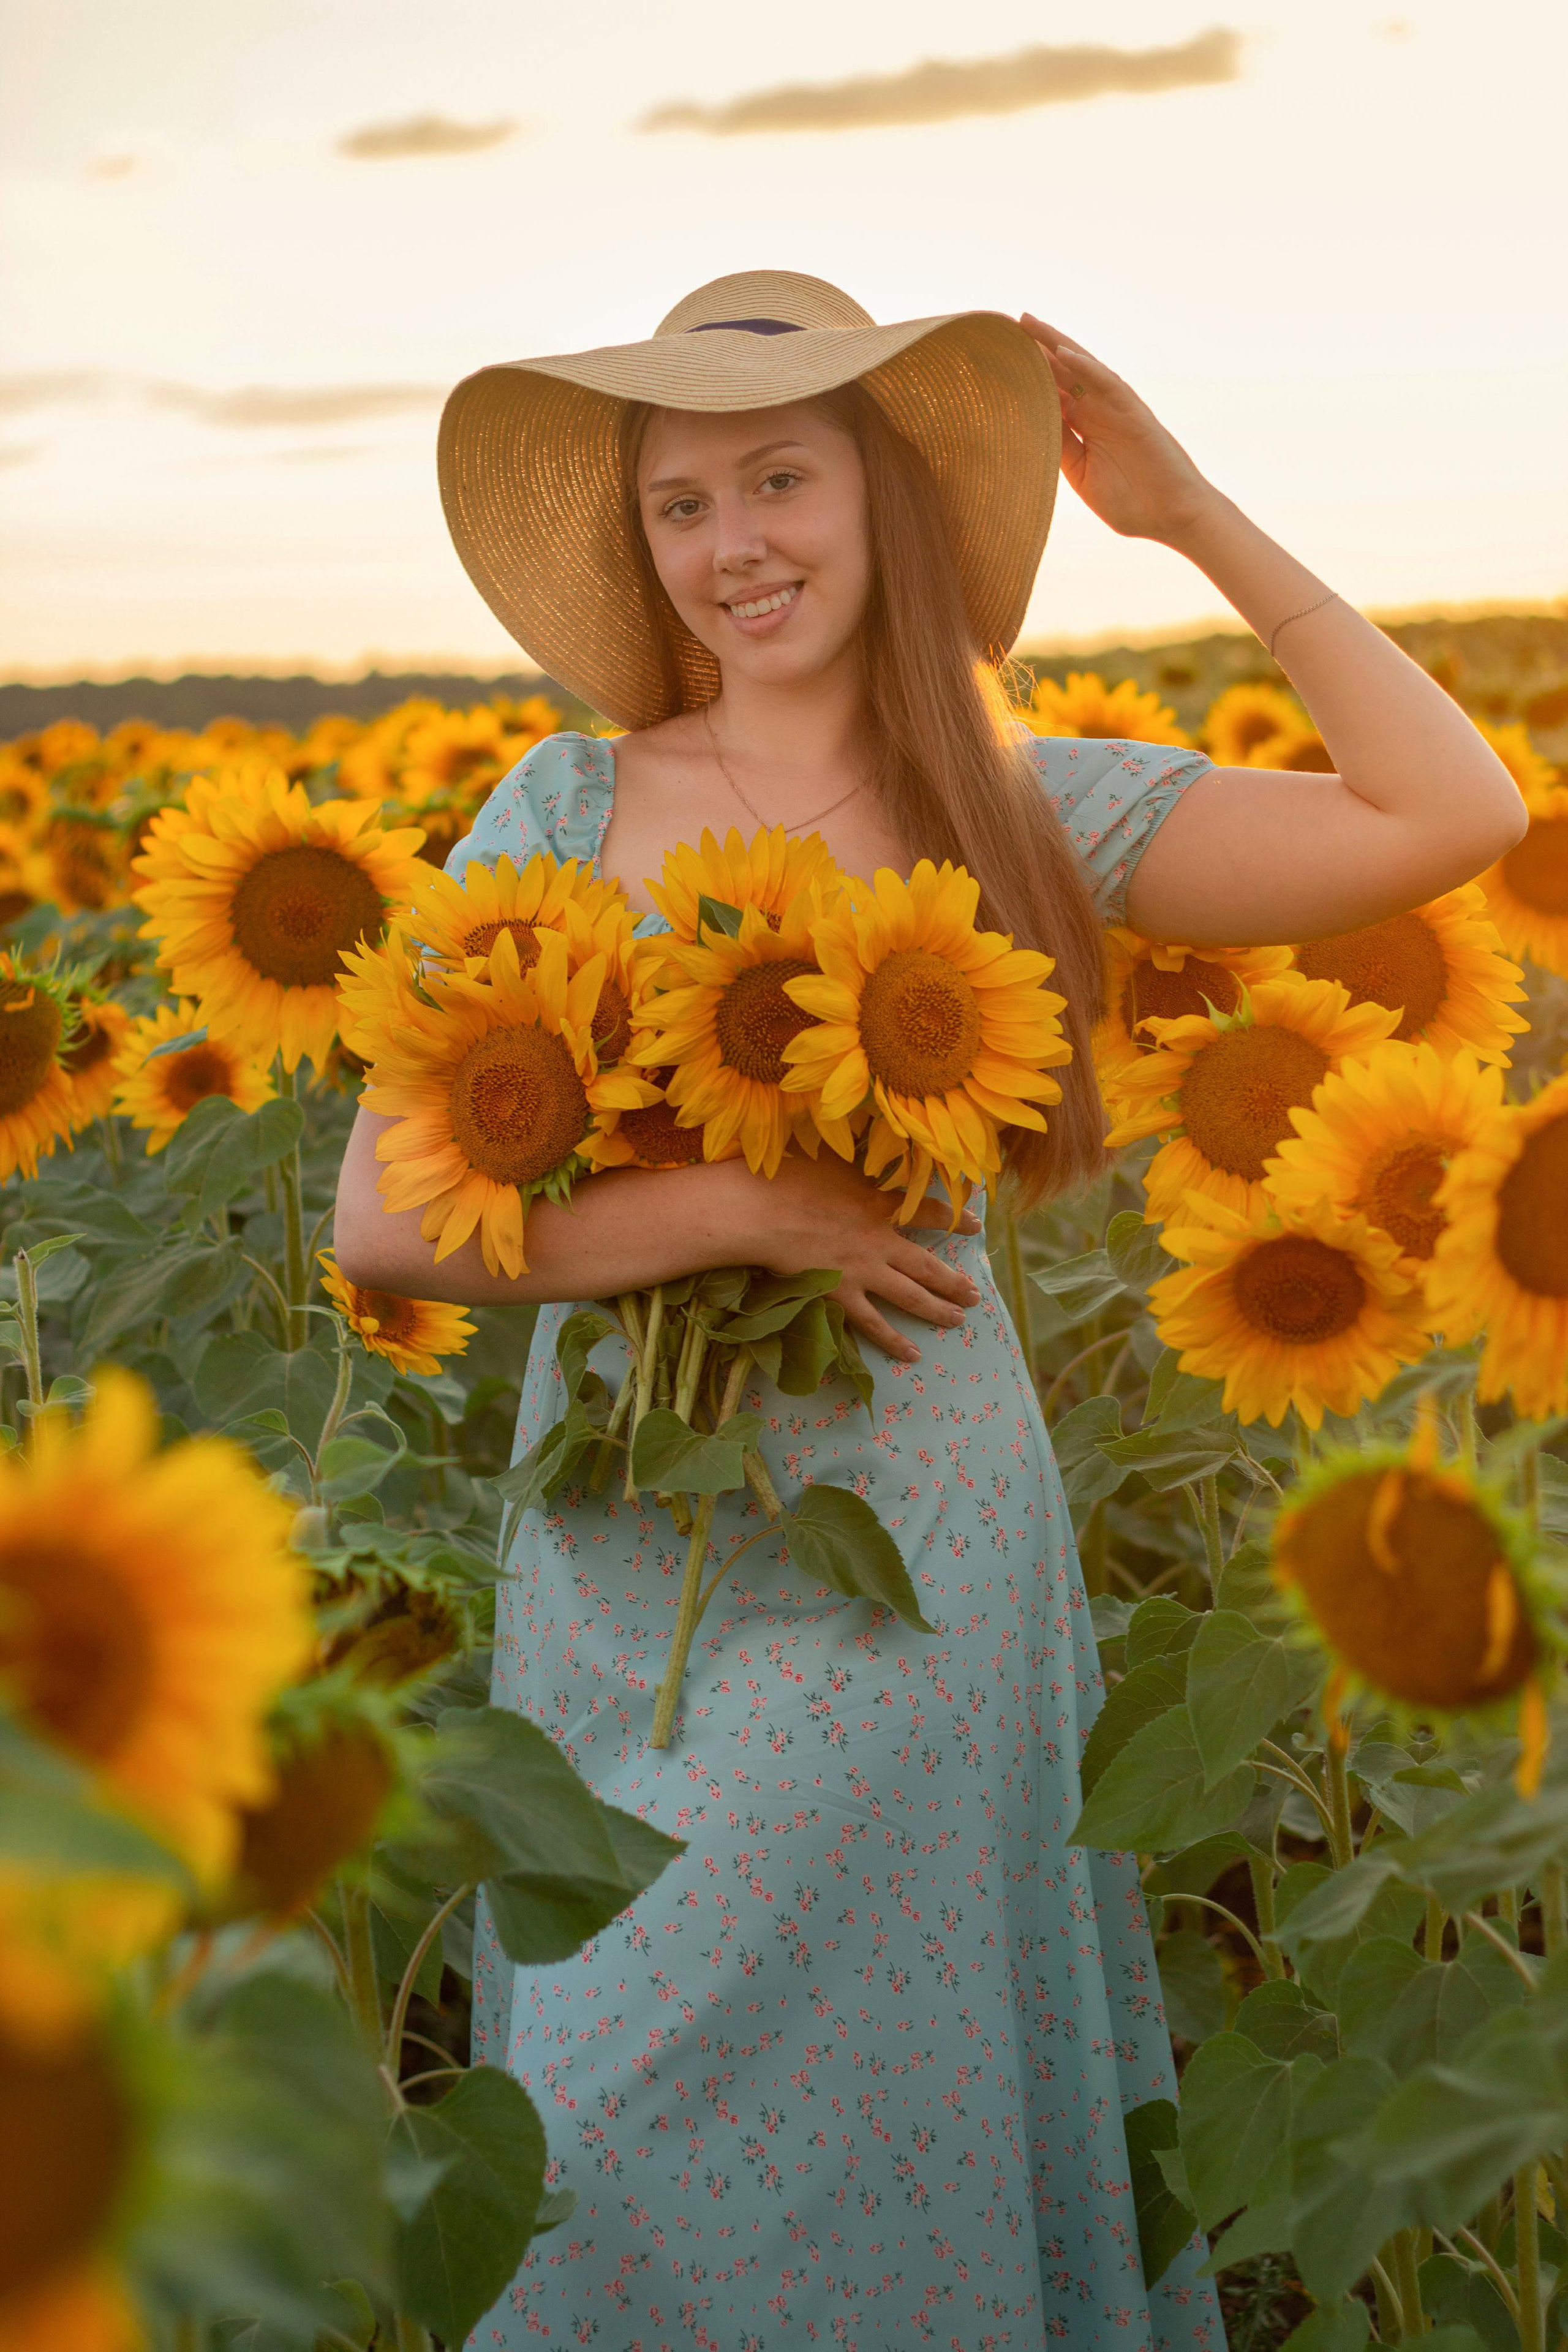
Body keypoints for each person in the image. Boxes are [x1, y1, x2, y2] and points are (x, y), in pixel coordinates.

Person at [334, 271, 1523, 2350]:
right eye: (683, 505)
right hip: (620, 1545)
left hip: (905, 1544)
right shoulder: (562, 809)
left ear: (884, 499)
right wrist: (740, 1207)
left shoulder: (1023, 808)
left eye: (780, 481)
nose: (734, 544)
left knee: (887, 2083)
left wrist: (1192, 514)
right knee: (609, 2104)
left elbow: (1457, 815)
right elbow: (387, 1216)